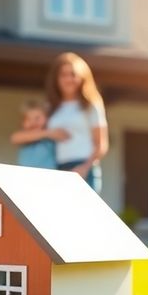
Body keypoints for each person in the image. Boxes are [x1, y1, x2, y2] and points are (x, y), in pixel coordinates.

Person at [45, 52, 108, 193]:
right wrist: (50, 133)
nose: (69, 79)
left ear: (82, 77)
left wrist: (84, 168)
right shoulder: (51, 107)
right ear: (56, 78)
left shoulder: (91, 105)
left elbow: (101, 145)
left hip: (84, 169)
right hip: (59, 168)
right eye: (63, 74)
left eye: (73, 74)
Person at [10, 99, 69, 170]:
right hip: (25, 173)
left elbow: (64, 136)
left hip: (48, 173)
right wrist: (46, 133)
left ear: (47, 118)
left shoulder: (50, 136)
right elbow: (14, 138)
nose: (33, 122)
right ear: (22, 123)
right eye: (28, 119)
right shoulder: (26, 136)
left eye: (37, 118)